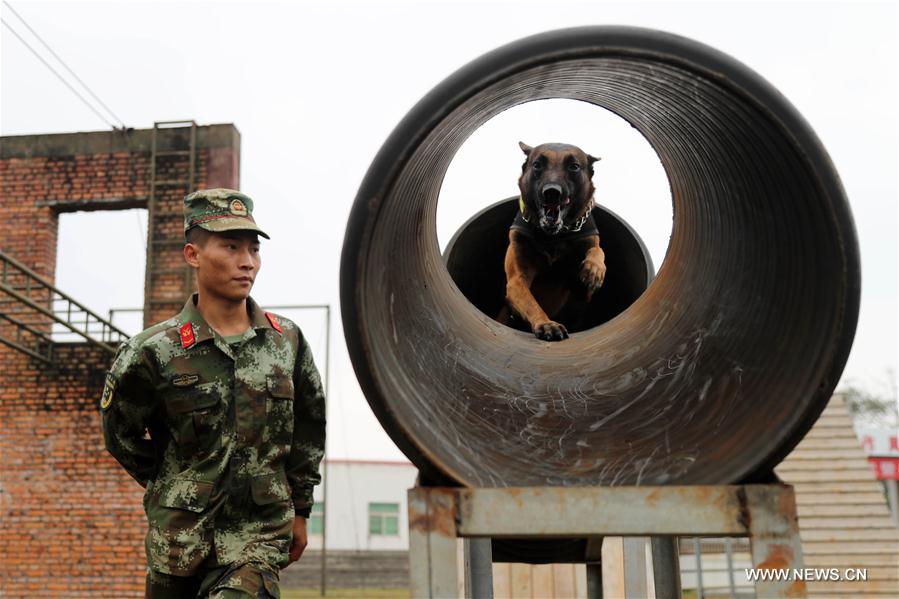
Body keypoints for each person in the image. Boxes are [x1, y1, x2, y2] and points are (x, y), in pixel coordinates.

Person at [101, 188, 326, 598]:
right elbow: (121, 434)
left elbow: (309, 430)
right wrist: (175, 482)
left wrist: (302, 508)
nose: (247, 261)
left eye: (253, 249)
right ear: (193, 255)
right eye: (231, 247)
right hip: (178, 544)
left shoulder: (285, 342)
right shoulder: (153, 351)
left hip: (257, 538)